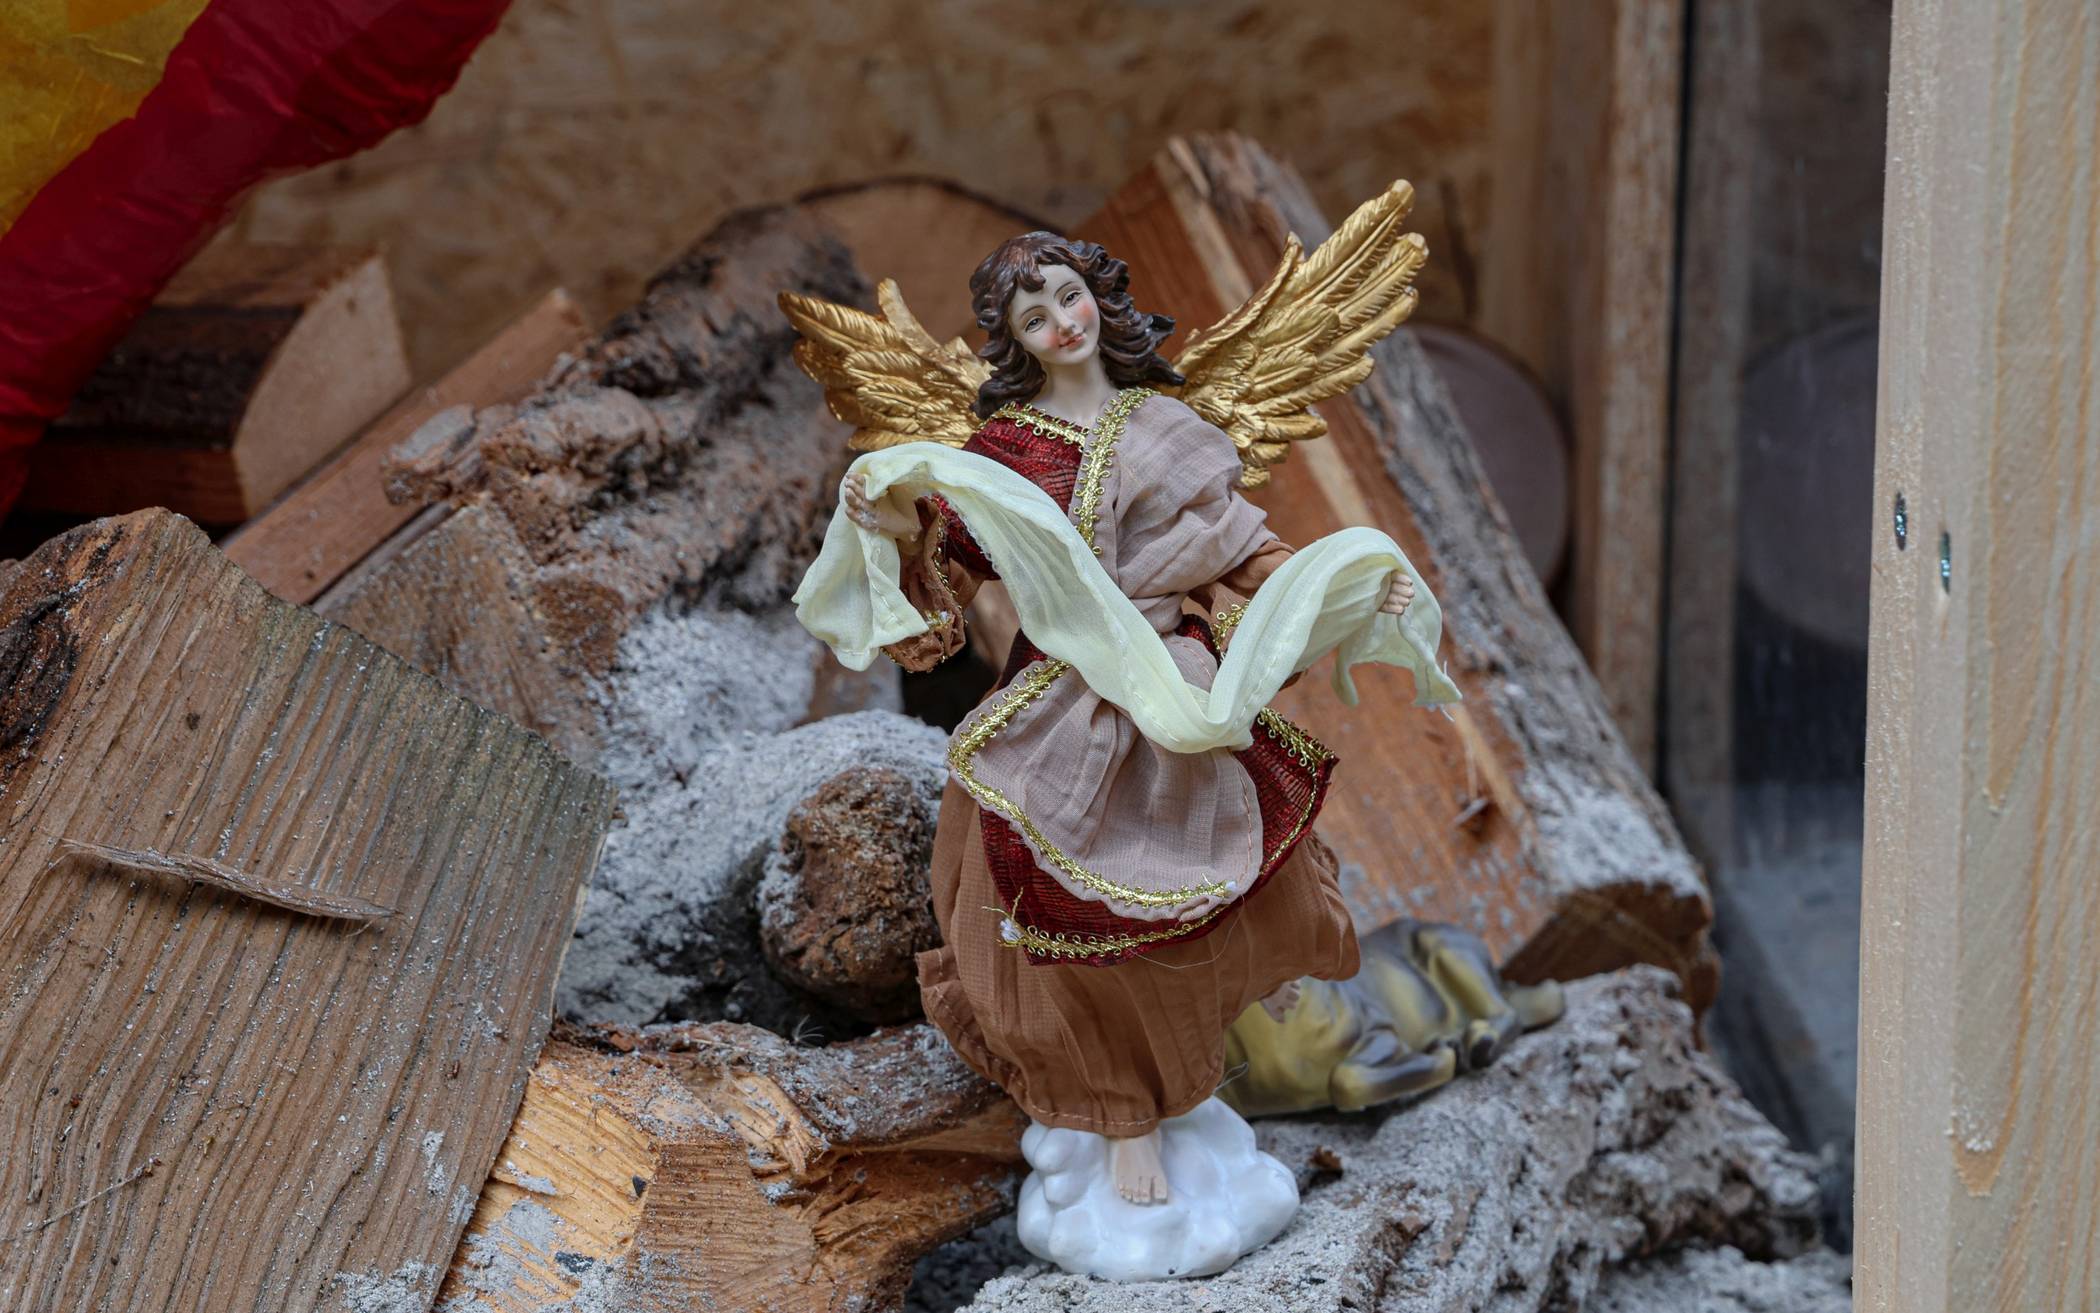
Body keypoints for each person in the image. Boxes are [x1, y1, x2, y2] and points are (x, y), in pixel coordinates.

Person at [840, 231, 1416, 1206]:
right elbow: (948, 573)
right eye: (1034, 317)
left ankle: (1206, 1050)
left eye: (1069, 297)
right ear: (1015, 340)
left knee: (1213, 869)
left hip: (1170, 691)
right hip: (1054, 702)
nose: (1062, 323)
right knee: (1032, 908)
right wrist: (889, 516)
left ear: (1099, 297)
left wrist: (1356, 586)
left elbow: (1247, 555)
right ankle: (1118, 1111)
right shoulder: (1003, 450)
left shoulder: (1169, 424)